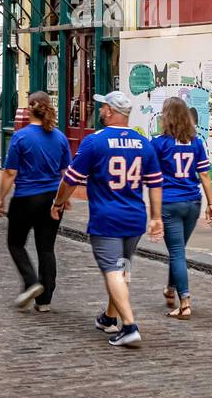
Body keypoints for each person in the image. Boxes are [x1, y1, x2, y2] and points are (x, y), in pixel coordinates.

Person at [51, 91, 163, 349]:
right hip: (134, 217)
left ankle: (129, 325)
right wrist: (156, 216)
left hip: (107, 218)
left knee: (112, 270)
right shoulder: (143, 143)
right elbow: (156, 182)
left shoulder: (94, 142)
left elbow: (71, 178)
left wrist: (58, 202)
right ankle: (110, 317)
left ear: (111, 111)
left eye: (102, 107)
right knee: (122, 267)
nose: (99, 110)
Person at [0, 91, 70, 313]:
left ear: (29, 109)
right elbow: (67, 173)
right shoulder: (60, 137)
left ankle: (31, 281)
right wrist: (63, 198)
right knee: (46, 248)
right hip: (51, 199)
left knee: (16, 243)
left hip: (26, 198)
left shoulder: (21, 137)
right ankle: (44, 300)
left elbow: (10, 173)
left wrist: (1, 198)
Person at [152, 97, 212, 320]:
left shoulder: (159, 144)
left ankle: (185, 303)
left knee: (177, 252)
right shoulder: (196, 142)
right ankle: (170, 289)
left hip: (170, 203)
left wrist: (153, 211)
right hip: (193, 202)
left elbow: (152, 177)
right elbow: (205, 174)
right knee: (178, 250)